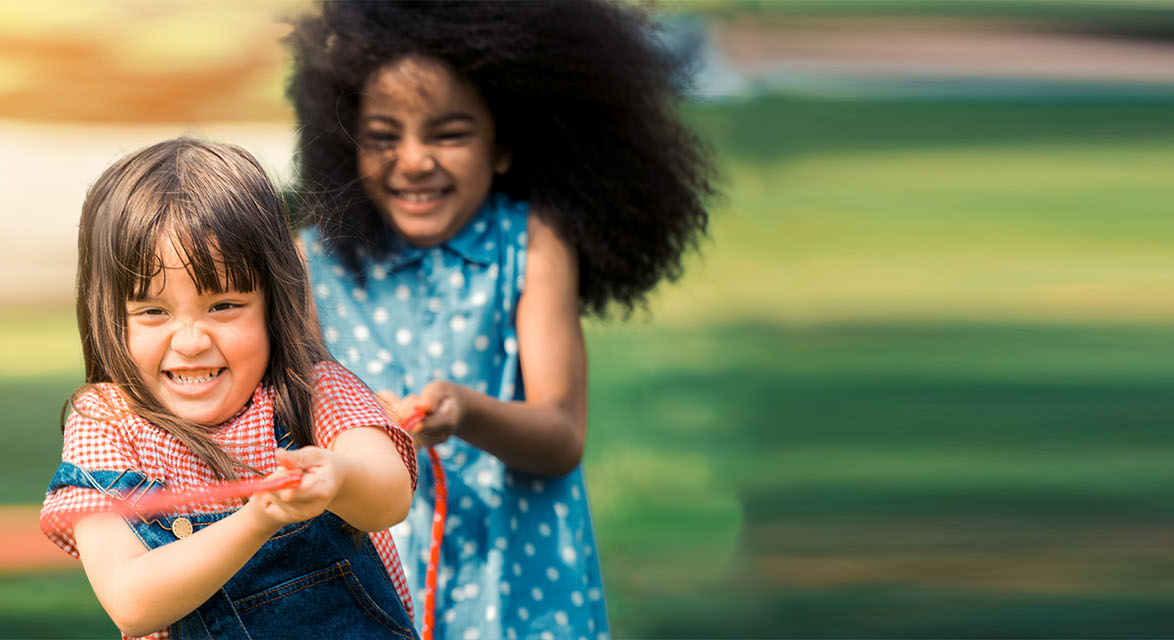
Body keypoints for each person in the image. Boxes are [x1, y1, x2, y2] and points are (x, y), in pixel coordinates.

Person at [285, 1, 717, 638]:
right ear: (347, 140)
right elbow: (290, 425)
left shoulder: (533, 245)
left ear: (506, 143)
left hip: (516, 583)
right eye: (383, 136)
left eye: (448, 134)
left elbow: (562, 434)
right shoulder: (314, 263)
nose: (413, 160)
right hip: (376, 582)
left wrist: (466, 411)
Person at [39, 138, 421, 640]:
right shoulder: (107, 423)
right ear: (110, 318)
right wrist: (258, 520)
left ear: (274, 301)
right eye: (153, 312)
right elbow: (131, 602)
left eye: (223, 306)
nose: (191, 342)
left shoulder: (312, 389)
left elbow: (390, 496)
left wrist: (339, 477)